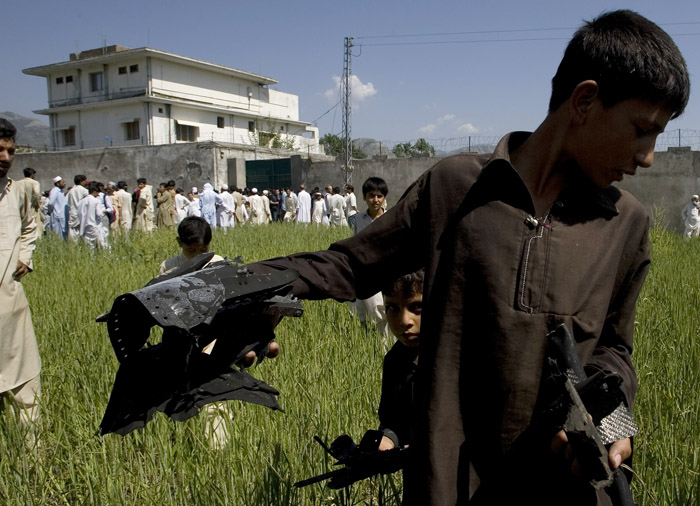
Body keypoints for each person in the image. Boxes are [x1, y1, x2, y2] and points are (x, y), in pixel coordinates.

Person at [251, 11, 689, 504]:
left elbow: (614, 349)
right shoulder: (456, 189)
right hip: (449, 484)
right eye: (641, 130)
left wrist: (611, 418)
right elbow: (352, 265)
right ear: (585, 100)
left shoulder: (625, 224)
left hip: (563, 489)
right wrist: (248, 289)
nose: (648, 155)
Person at [0, 118, 41, 446]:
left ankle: (31, 463)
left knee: (25, 390)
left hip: (11, 308)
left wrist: (25, 255)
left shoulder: (18, 193)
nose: (5, 157)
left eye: (10, 150)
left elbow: (31, 225)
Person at [377, 270, 423, 453]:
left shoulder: (463, 356)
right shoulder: (395, 360)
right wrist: (386, 441)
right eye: (392, 308)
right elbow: (393, 421)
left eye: (417, 307)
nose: (404, 321)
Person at [351, 177, 389, 335]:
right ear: (364, 197)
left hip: (383, 272)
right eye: (371, 195)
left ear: (384, 198)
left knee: (379, 309)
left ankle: (384, 345)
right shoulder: (359, 219)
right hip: (362, 270)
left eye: (379, 196)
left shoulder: (390, 218)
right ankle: (363, 340)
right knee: (358, 309)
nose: (375, 200)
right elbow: (355, 243)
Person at [78, 181, 108, 249]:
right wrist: (104, 212)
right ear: (94, 192)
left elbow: (79, 213)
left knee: (89, 247)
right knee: (102, 245)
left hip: (84, 227)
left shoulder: (81, 201)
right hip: (95, 226)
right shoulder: (96, 201)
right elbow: (99, 214)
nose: (98, 195)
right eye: (97, 193)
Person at [13, 168, 42, 235]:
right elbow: (37, 194)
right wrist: (37, 204)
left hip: (20, 208)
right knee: (34, 225)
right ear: (32, 175)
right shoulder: (34, 183)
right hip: (31, 208)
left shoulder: (17, 183)